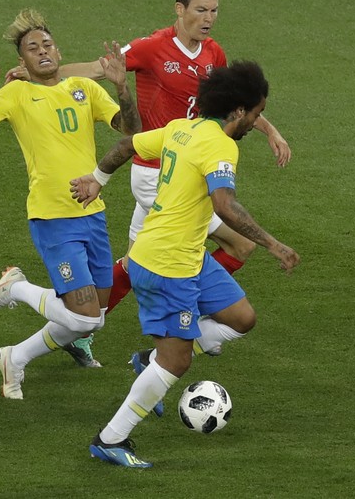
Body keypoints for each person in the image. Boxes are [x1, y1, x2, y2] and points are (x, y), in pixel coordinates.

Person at [69, 61, 300, 467]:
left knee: (242, 318)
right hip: (165, 265)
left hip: (187, 255)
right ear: (238, 111)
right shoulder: (221, 145)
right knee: (177, 361)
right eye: (257, 113)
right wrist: (272, 244)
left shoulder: (183, 127)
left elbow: (128, 146)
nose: (257, 122)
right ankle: (110, 439)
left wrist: (96, 179)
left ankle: (148, 360)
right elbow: (224, 204)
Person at [58, 0, 293, 364]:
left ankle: (79, 328)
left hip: (182, 168)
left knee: (139, 263)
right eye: (201, 10)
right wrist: (42, 75)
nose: (209, 18)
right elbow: (99, 69)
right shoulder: (153, 48)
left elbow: (234, 103)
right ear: (180, 9)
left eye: (214, 10)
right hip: (154, 172)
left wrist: (270, 130)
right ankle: (189, 320)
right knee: (238, 243)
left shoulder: (213, 54)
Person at [0, 8, 141, 399]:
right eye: (32, 48)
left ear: (58, 51)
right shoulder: (17, 94)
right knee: (83, 316)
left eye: (47, 44)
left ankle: (15, 357)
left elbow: (130, 131)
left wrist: (122, 89)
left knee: (94, 320)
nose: (42, 51)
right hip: (52, 217)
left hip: (91, 213)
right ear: (21, 61)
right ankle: (18, 288)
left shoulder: (84, 89)